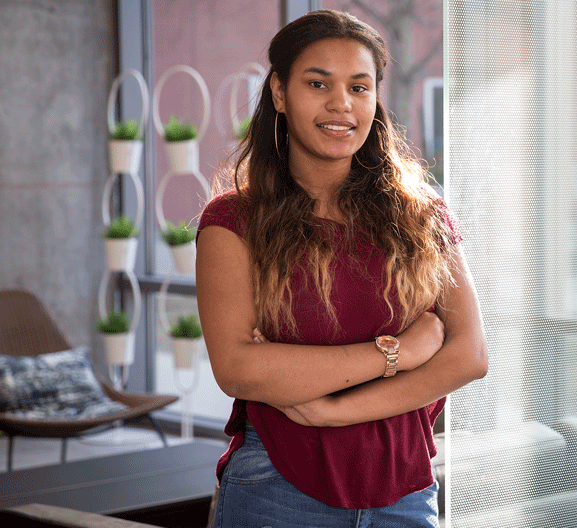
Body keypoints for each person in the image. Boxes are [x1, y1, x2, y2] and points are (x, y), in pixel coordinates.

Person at [195, 10, 487, 528]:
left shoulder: (424, 216)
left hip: (406, 496)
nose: (341, 104)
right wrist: (401, 351)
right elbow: (238, 369)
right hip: (275, 490)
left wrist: (333, 409)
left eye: (359, 86)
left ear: (376, 99)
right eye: (317, 83)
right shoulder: (233, 221)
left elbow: (468, 356)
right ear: (280, 94)